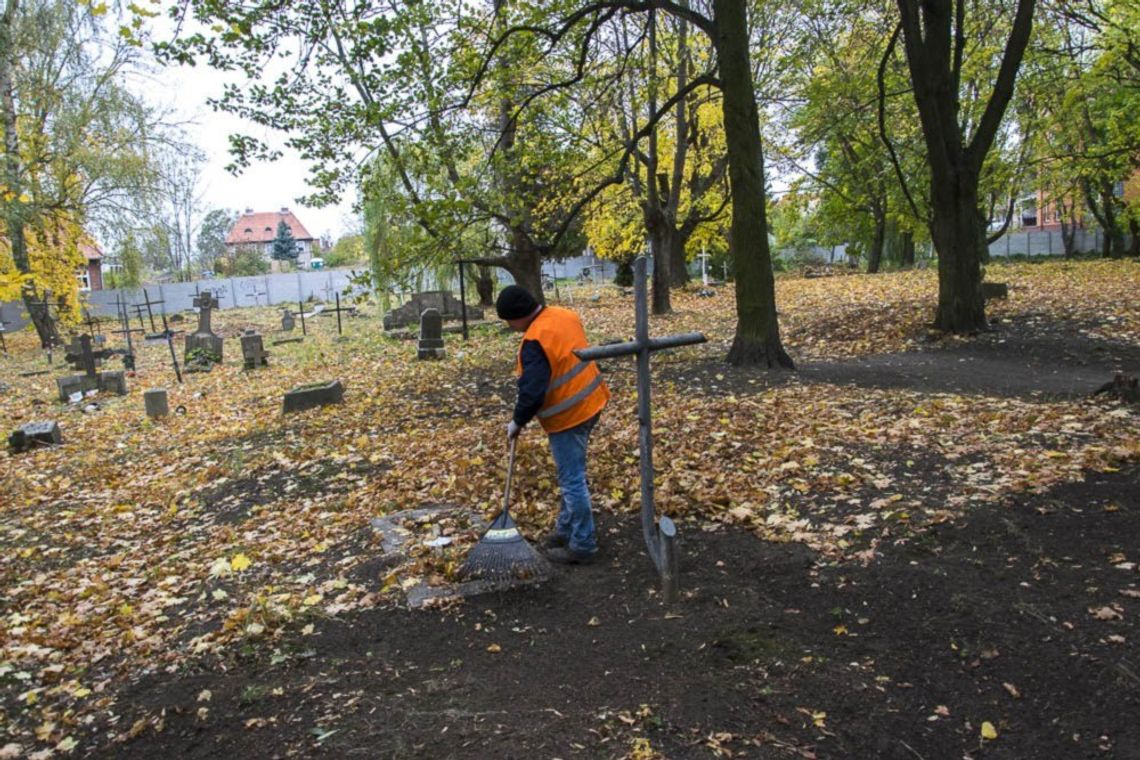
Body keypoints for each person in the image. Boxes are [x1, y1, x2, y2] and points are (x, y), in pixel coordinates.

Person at [496, 284, 610, 565]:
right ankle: (565, 529)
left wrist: (517, 421)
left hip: (568, 416)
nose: (510, 327)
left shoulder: (535, 340)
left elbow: (533, 391)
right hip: (593, 401)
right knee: (574, 474)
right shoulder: (564, 315)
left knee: (572, 480)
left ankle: (583, 545)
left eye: (509, 321)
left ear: (519, 315)